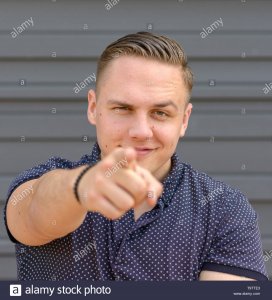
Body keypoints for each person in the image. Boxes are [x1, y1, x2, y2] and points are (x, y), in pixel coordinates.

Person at [4, 32, 268, 281]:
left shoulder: (225, 210)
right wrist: (80, 187)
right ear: (94, 108)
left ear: (184, 120)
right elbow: (35, 213)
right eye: (123, 108)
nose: (141, 132)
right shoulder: (39, 183)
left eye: (160, 113)